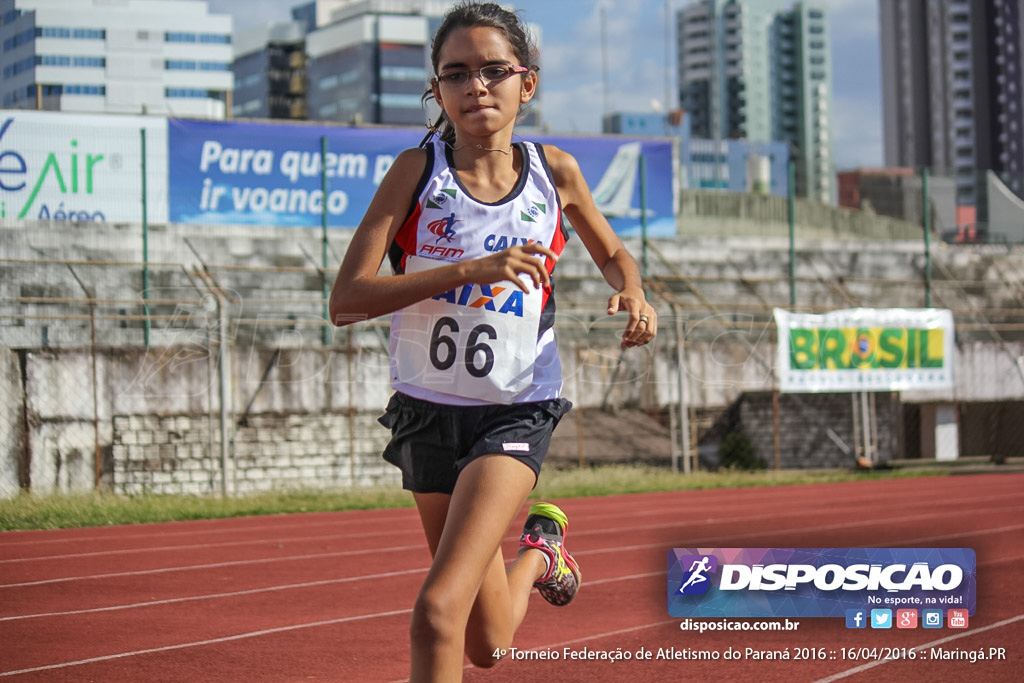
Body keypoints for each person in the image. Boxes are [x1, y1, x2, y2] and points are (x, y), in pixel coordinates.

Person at [328, 3, 658, 680]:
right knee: (487, 643)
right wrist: (468, 271)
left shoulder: (554, 173)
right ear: (438, 91)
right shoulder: (414, 175)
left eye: (493, 70)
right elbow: (347, 299)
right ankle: (541, 546)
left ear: (525, 84)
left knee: (436, 611)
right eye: (456, 74)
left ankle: (535, 538)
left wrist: (633, 290)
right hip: (426, 409)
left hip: (515, 408)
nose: (476, 86)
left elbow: (615, 252)